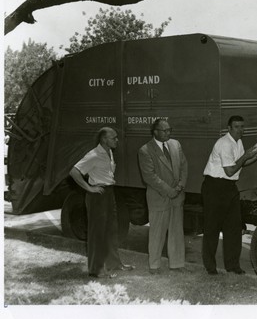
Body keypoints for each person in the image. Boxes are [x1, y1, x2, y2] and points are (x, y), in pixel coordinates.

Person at [69, 127, 135, 278]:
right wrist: (89, 188)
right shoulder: (94, 155)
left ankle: (114, 264)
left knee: (112, 230)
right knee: (97, 233)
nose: (117, 140)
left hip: (109, 193)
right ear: (104, 139)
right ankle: (96, 270)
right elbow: (74, 172)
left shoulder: (109, 152)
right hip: (97, 197)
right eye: (114, 138)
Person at [201, 115, 257, 275]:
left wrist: (253, 158)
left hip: (229, 187)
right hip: (214, 187)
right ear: (229, 128)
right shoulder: (224, 144)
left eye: (242, 126)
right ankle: (210, 267)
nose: (240, 130)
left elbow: (240, 163)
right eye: (236, 127)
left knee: (234, 228)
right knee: (212, 228)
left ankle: (233, 266)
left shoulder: (238, 142)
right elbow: (230, 170)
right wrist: (246, 156)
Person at [138, 118, 188, 275]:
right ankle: (154, 265)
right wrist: (170, 191)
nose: (168, 133)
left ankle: (177, 264)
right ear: (155, 132)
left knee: (177, 232)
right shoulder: (145, 150)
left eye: (169, 130)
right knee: (157, 233)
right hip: (159, 197)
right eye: (165, 130)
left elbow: (184, 166)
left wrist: (179, 186)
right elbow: (150, 176)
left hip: (177, 196)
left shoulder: (176, 144)